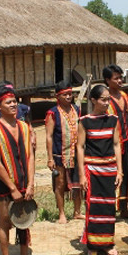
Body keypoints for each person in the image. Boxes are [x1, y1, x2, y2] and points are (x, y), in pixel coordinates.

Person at [0, 86, 36, 255]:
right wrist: (12, 188)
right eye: (9, 102)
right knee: (5, 221)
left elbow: (31, 156)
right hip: (5, 184)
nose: (14, 104)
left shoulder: (24, 127)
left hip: (25, 180)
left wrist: (30, 184)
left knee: (25, 218)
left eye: (15, 101)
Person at [77, 85, 123, 255]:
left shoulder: (113, 120)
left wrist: (120, 170)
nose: (107, 102)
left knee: (109, 207)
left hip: (110, 169)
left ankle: (108, 243)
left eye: (108, 99)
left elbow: (117, 145)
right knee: (94, 207)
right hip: (92, 170)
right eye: (103, 99)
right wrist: (81, 175)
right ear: (93, 100)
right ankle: (93, 247)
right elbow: (80, 147)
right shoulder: (85, 121)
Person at [44, 80, 82, 224]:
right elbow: (48, 136)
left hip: (76, 154)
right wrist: (49, 158)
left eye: (70, 94)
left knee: (78, 183)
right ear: (58, 96)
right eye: (65, 94)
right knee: (60, 184)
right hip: (59, 154)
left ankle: (77, 212)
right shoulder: (52, 113)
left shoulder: (76, 110)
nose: (68, 97)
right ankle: (61, 214)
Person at [104, 65, 128, 219]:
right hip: (112, 143)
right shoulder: (105, 100)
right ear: (107, 80)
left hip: (127, 140)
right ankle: (110, 209)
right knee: (114, 174)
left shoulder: (124, 95)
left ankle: (124, 208)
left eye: (120, 77)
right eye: (116, 78)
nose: (120, 80)